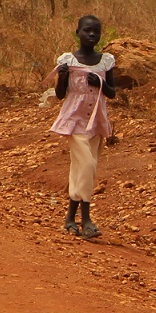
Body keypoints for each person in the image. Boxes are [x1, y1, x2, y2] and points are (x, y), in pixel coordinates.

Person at [51, 14, 117, 238]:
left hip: (96, 121)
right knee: (87, 165)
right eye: (87, 30)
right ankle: (86, 218)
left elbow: (112, 93)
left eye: (96, 31)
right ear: (77, 32)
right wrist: (62, 78)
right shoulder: (68, 61)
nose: (91, 34)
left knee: (81, 169)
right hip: (75, 120)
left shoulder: (106, 61)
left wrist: (100, 83)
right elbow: (60, 95)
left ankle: (70, 218)